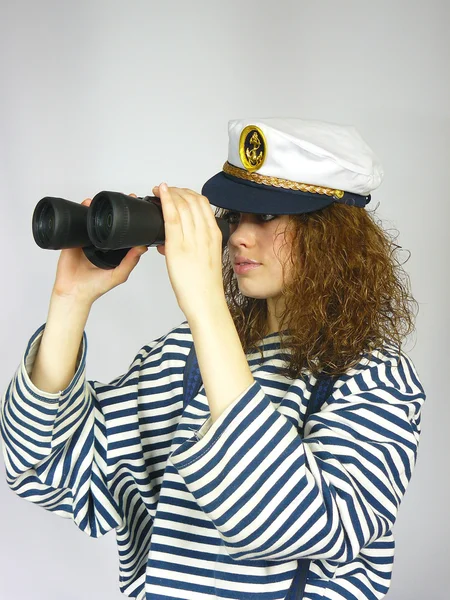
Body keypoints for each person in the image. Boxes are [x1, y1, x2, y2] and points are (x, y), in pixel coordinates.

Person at [0, 117, 426, 600]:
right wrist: (69, 301)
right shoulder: (185, 356)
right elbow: (43, 467)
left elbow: (293, 525)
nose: (239, 237)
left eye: (265, 218)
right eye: (235, 216)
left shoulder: (374, 378)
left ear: (333, 236)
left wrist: (206, 305)